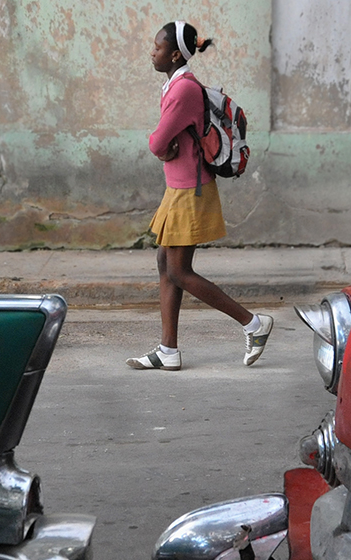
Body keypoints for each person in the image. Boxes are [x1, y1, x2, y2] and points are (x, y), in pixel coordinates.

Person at [126, 20, 273, 372]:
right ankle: (168, 350)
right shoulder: (177, 84)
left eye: (158, 47)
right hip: (180, 188)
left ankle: (254, 324)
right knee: (166, 264)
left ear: (175, 54)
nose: (152, 52)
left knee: (178, 270)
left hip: (189, 191)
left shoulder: (183, 90)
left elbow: (158, 142)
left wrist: (161, 147)